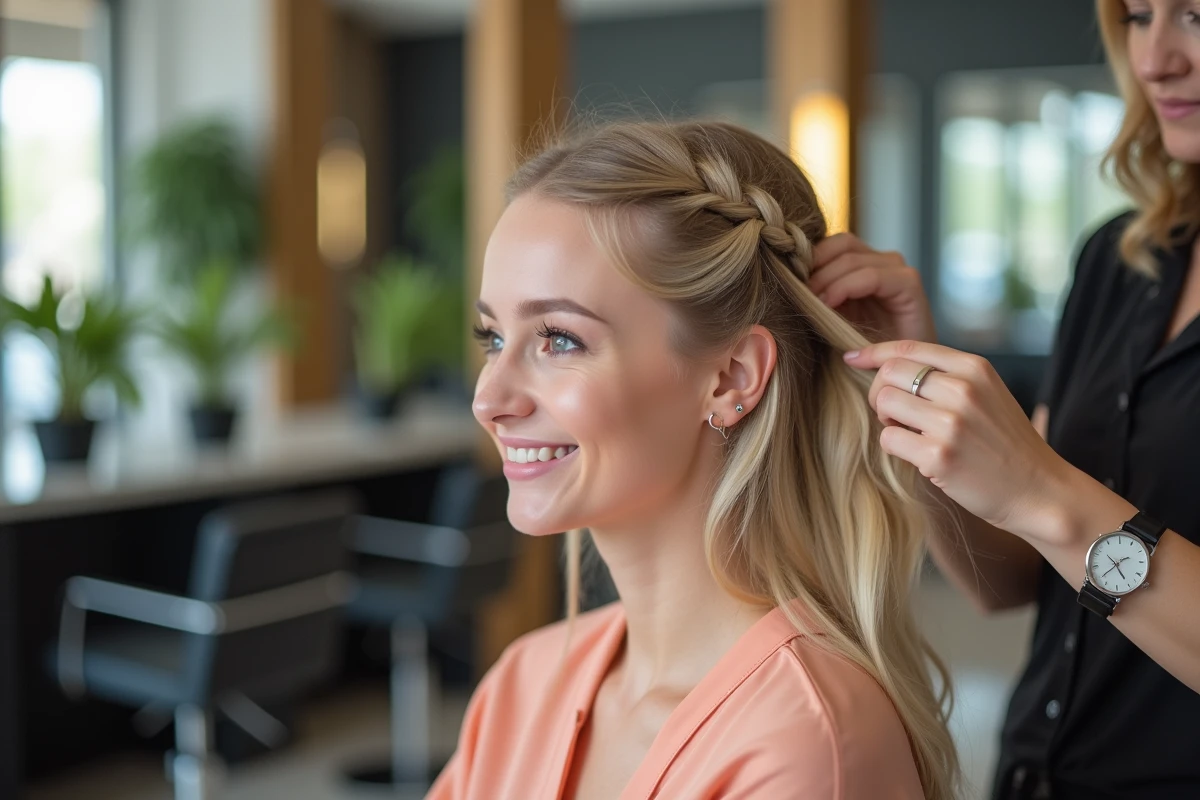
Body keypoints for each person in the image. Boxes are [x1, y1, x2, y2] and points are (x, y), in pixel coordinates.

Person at [427, 120, 961, 799]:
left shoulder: (802, 745)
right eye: (493, 338)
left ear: (732, 377)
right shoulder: (523, 685)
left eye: (559, 340)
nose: (489, 398)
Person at [805, 2, 1200, 798]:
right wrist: (915, 400)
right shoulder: (1117, 262)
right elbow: (1007, 583)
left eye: (1194, 15)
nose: (1155, 59)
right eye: (1137, 15)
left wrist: (1038, 486)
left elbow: (1045, 507)